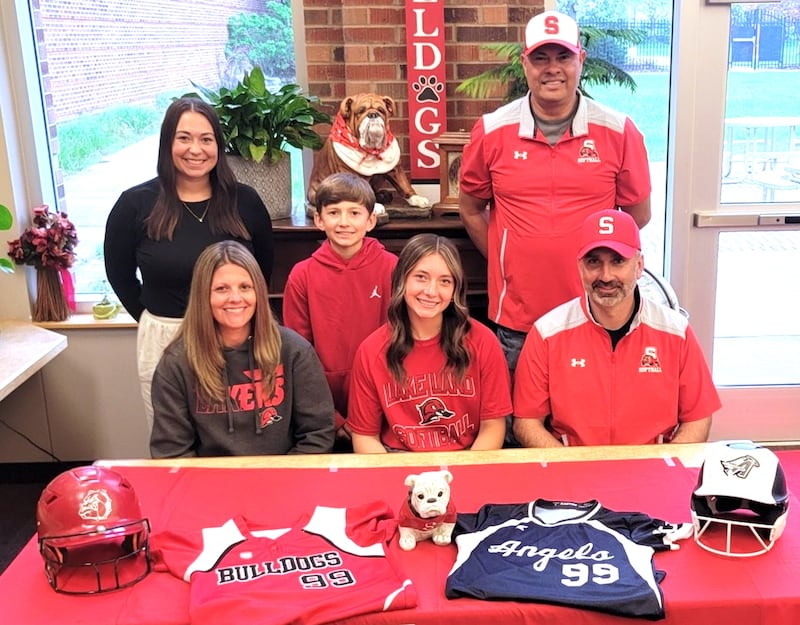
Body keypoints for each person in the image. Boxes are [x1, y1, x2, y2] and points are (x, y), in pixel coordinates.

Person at [458, 10, 652, 375]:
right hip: (516, 321)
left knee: (586, 425)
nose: (552, 69)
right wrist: (507, 259)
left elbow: (637, 215)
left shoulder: (619, 131)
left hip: (594, 313)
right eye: (540, 58)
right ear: (524, 63)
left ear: (581, 58)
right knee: (517, 429)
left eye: (563, 56)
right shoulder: (491, 131)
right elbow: (470, 208)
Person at [104, 97, 274, 432]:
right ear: (168, 142)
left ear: (218, 146)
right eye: (184, 138)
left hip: (235, 337)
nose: (195, 149)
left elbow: (262, 271)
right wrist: (153, 317)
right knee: (172, 437)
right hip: (165, 336)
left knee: (239, 435)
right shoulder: (135, 204)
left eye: (206, 139)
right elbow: (119, 274)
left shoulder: (247, 202)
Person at [512, 209, 721, 447]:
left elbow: (698, 418)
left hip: (651, 472)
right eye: (594, 262)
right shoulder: (547, 333)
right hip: (574, 470)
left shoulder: (676, 332)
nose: (606, 276)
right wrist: (568, 467)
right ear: (580, 267)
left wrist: (665, 467)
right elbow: (527, 421)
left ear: (639, 265)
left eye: (618, 261)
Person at [149, 240, 334, 457]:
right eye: (221, 289)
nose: (235, 298)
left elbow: (317, 434)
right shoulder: (176, 364)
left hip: (284, 481)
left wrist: (283, 484)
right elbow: (172, 452)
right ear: (203, 296)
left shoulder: (295, 352)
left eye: (245, 287)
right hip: (210, 485)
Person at [348, 233, 511, 453]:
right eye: (421, 277)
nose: (431, 291)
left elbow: (492, 428)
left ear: (455, 289)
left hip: (466, 458)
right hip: (396, 461)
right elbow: (365, 437)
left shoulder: (483, 342)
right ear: (401, 280)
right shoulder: (371, 351)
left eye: (445, 281)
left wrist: (466, 474)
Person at [282, 172, 397, 449]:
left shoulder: (392, 268)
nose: (344, 222)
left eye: (354, 213)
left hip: (384, 403)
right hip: (322, 407)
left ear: (370, 220)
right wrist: (333, 418)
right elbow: (297, 354)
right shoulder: (302, 275)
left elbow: (400, 340)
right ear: (319, 219)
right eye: (334, 212)